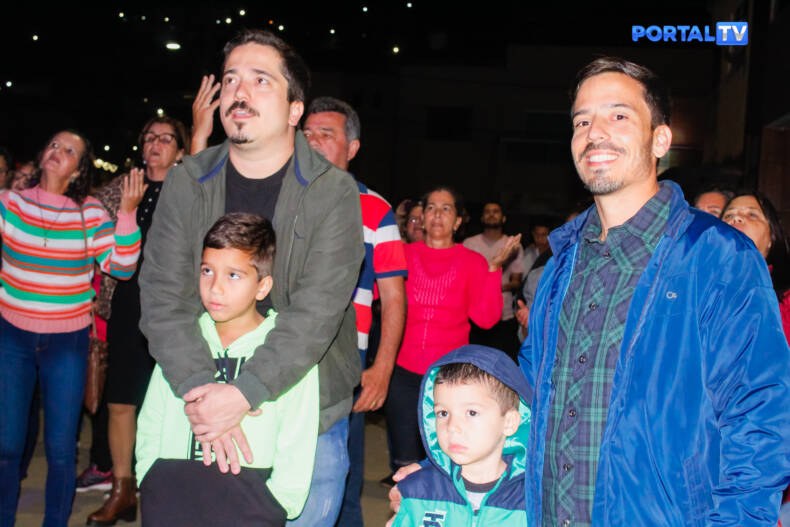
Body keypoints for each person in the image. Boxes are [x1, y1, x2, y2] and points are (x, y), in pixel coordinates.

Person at [391, 57, 790, 526]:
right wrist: (448, 473)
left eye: (618, 115)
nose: (595, 132)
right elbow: (528, 400)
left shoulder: (715, 257)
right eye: (582, 121)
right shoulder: (563, 264)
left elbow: (761, 414)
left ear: (660, 139)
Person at [139, 29, 363, 527]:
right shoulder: (187, 181)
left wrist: (243, 393)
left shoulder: (333, 193)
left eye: (261, 80)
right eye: (231, 79)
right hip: (194, 398)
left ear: (294, 109)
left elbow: (317, 311)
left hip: (305, 408)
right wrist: (205, 392)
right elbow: (162, 296)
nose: (239, 91)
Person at [136, 213, 318, 526]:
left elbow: (297, 435)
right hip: (170, 496)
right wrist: (149, 476)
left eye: (233, 275)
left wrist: (278, 503)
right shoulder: (183, 339)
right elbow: (152, 415)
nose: (215, 288)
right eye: (207, 271)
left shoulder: (284, 351)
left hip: (250, 505)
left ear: (262, 287)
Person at [0, 130, 143, 527]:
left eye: (68, 151)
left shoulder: (89, 212)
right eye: (53, 145)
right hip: (12, 337)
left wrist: (127, 213)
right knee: (7, 446)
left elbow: (121, 267)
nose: (56, 152)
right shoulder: (11, 203)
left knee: (61, 449)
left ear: (79, 169)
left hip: (67, 342)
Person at [303, 96, 407, 527]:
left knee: (340, 480)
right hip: (280, 351)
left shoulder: (376, 209)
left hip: (345, 360)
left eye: (325, 134)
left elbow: (394, 297)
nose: (312, 142)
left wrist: (381, 369)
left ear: (352, 146)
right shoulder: (281, 197)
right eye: (306, 134)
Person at [86, 116, 188, 523]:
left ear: (181, 151)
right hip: (128, 302)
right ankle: (122, 489)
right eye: (149, 138)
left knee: (172, 405)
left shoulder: (189, 189)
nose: (155, 144)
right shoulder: (116, 192)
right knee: (121, 401)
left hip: (176, 307)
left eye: (165, 139)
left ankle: (166, 491)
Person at [383, 186, 518, 481]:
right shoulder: (402, 255)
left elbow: (486, 319)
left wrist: (494, 268)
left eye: (446, 209)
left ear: (458, 221)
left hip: (449, 380)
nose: (437, 214)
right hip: (403, 373)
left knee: (445, 459)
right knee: (404, 460)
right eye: (431, 207)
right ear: (422, 216)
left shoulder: (472, 262)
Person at [390, 345, 531, 527]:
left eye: (471, 412)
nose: (452, 427)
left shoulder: (532, 502)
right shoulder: (417, 493)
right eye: (443, 413)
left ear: (509, 422)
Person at [722, 190, 790, 343]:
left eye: (752, 215)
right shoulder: (697, 288)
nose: (736, 218)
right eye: (728, 216)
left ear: (771, 238)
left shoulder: (785, 299)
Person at [463, 202, 525, 359]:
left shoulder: (512, 245)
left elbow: (516, 281)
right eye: (487, 211)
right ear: (482, 218)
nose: (491, 214)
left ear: (503, 218)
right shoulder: (469, 244)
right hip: (473, 317)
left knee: (502, 365)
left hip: (505, 315)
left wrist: (494, 285)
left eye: (495, 211)